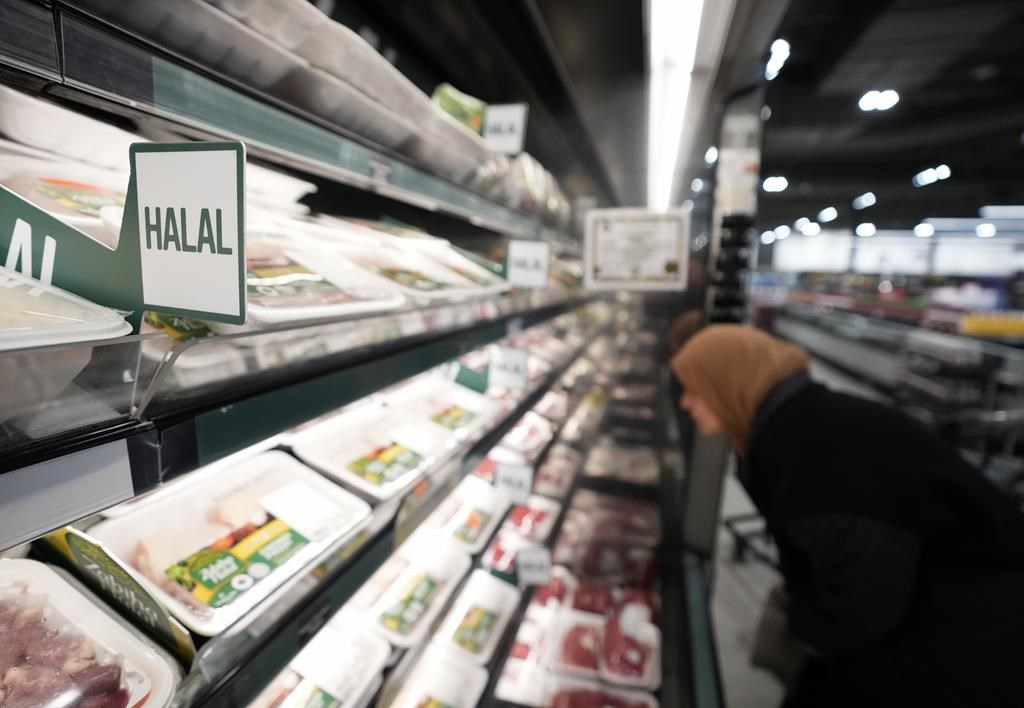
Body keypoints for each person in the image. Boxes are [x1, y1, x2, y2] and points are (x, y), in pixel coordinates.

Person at [671, 324, 1024, 708]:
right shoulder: (803, 419)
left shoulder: (805, 454)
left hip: (964, 635)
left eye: (694, 388)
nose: (685, 403)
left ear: (729, 383)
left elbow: (867, 601)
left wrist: (801, 621)